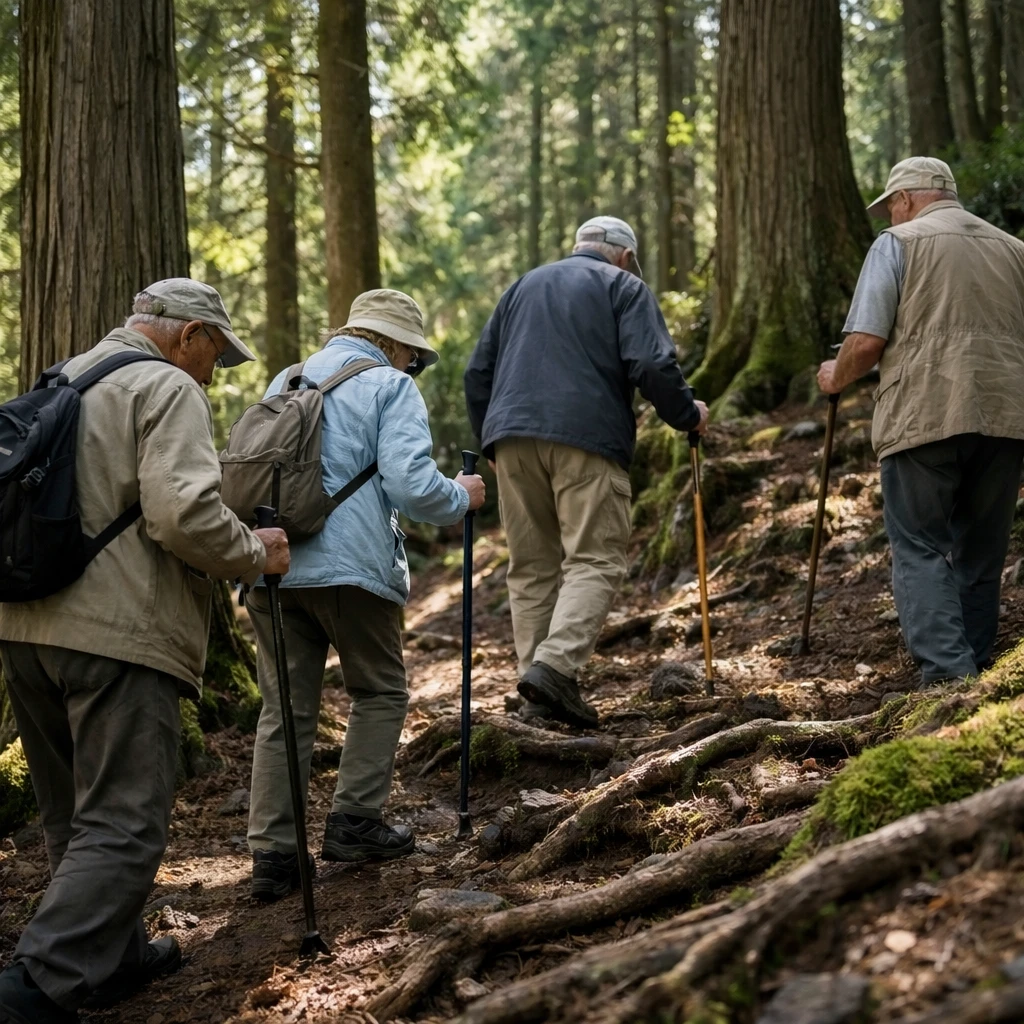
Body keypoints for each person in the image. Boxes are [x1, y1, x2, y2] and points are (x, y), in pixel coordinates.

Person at [0, 280, 290, 1024]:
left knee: (74, 814)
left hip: (26, 626)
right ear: (188, 335)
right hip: (118, 634)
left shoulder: (65, 376)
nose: (213, 373)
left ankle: (114, 957)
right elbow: (184, 514)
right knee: (125, 820)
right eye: (216, 355)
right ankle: (34, 987)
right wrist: (254, 552)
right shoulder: (165, 388)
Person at [246, 288, 485, 900]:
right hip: (350, 567)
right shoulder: (390, 387)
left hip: (272, 563)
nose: (414, 366)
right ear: (396, 343)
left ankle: (274, 854)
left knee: (285, 711)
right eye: (415, 355)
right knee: (379, 690)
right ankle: (354, 819)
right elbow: (409, 483)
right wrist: (460, 497)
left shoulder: (289, 376)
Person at [464, 216, 708, 729]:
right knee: (595, 559)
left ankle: (538, 691)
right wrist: (687, 415)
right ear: (622, 253)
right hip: (586, 437)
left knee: (532, 567)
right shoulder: (624, 285)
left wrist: (492, 437)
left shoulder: (523, 286)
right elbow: (651, 363)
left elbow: (477, 372)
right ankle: (553, 668)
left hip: (510, 437)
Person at [817, 156, 1024, 687]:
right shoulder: (1014, 249)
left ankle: (948, 680)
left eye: (890, 207)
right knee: (982, 554)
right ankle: (977, 673)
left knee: (920, 547)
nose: (889, 217)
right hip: (1005, 416)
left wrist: (835, 378)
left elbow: (864, 343)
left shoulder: (899, 244)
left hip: (923, 415)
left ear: (906, 198)